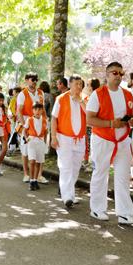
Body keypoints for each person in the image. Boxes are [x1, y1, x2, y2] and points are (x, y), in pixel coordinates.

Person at [86, 62, 133, 224]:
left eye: (121, 73)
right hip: (103, 140)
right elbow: (89, 119)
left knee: (123, 176)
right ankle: (97, 209)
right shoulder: (98, 94)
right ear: (107, 74)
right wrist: (110, 124)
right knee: (100, 174)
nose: (118, 76)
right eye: (115, 73)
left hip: (123, 141)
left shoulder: (128, 94)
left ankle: (124, 213)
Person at [51, 76, 87, 208]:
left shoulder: (85, 99)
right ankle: (66, 196)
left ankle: (70, 194)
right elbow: (54, 118)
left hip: (80, 139)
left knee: (75, 168)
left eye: (81, 84)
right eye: (76, 84)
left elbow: (89, 116)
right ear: (70, 84)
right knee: (65, 167)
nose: (79, 86)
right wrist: (53, 137)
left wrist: (80, 101)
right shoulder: (61, 99)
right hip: (64, 138)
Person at [15, 74, 49, 184]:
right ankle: (26, 174)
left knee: (41, 149)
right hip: (27, 122)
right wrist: (25, 126)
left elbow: (43, 109)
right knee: (25, 150)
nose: (34, 82)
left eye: (36, 80)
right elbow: (19, 112)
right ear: (26, 80)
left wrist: (45, 122)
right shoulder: (22, 94)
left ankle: (39, 175)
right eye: (32, 79)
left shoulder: (40, 92)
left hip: (39, 122)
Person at [24, 103, 48, 191]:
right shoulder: (29, 120)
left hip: (40, 142)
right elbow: (24, 130)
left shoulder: (44, 120)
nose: (37, 111)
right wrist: (26, 138)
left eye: (39, 109)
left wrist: (45, 142)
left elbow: (46, 132)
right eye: (35, 109)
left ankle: (35, 180)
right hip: (32, 141)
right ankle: (31, 181)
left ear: (42, 111)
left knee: (38, 162)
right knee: (32, 161)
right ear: (33, 111)